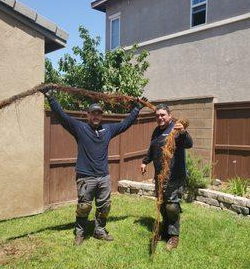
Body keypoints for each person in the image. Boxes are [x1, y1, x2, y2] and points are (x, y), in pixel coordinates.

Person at [42, 89, 146, 245]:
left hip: (103, 176)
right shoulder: (80, 128)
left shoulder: (108, 130)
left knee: (104, 206)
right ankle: (80, 233)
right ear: (88, 115)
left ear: (101, 116)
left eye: (99, 114)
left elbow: (125, 124)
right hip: (85, 176)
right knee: (84, 206)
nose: (96, 116)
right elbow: (62, 116)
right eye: (93, 113)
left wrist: (136, 108)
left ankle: (99, 231)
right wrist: (51, 98)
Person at [141, 104, 193, 250]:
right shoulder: (157, 131)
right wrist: (145, 162)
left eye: (163, 115)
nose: (160, 118)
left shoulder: (176, 129)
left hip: (174, 175)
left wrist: (183, 132)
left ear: (169, 115)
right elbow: (152, 148)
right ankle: (165, 229)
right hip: (160, 176)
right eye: (157, 115)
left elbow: (189, 144)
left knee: (172, 206)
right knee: (162, 204)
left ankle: (174, 236)